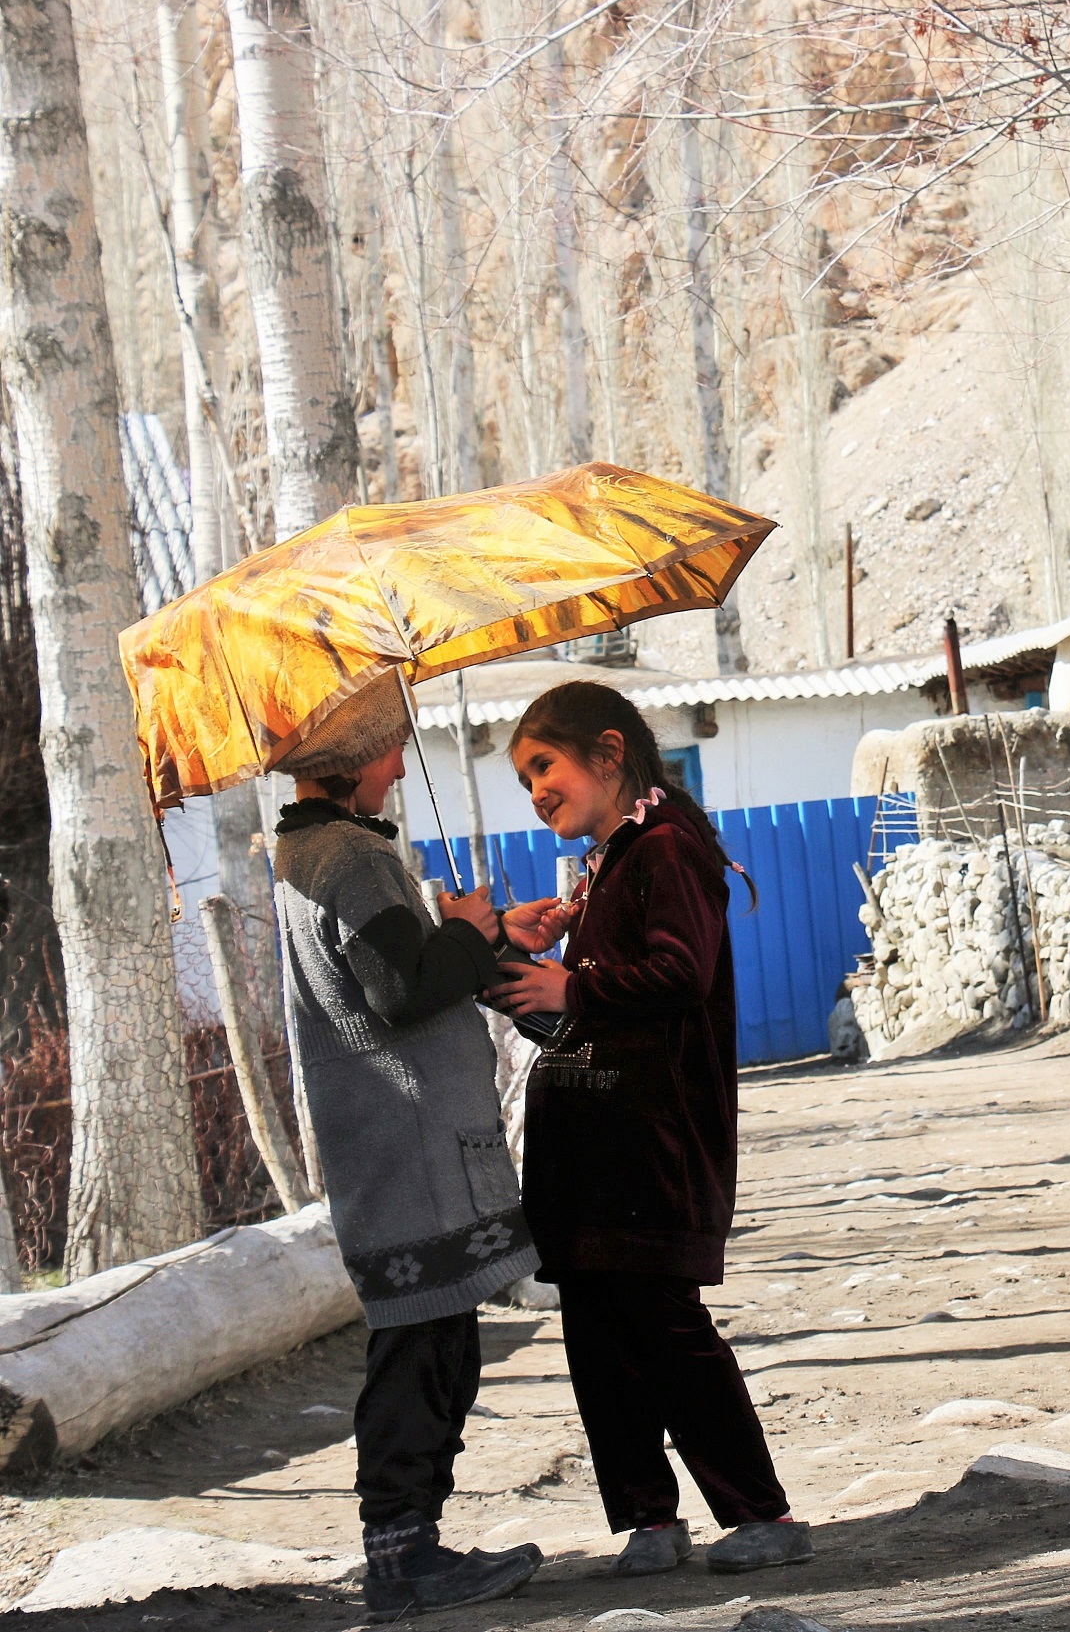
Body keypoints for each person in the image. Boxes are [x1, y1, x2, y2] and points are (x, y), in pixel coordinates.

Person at [486, 680, 811, 1579]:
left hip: (650, 1144)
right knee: (598, 1335)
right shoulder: (611, 859)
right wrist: (523, 968)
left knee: (665, 1326)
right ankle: (648, 1518)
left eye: (544, 766)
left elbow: (679, 971)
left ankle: (762, 1512)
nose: (536, 791)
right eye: (524, 779)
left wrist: (574, 985)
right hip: (591, 1149)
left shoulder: (665, 848)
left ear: (607, 752)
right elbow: (590, 1008)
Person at [272, 679, 562, 1618]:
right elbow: (401, 991)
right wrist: (470, 932)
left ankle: (415, 1545)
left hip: (396, 1147)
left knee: (437, 1343)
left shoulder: (316, 851)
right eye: (390, 746)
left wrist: (481, 935)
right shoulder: (350, 858)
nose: (400, 765)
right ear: (352, 758)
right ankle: (402, 1555)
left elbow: (395, 967)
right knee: (421, 1350)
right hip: (410, 1150)